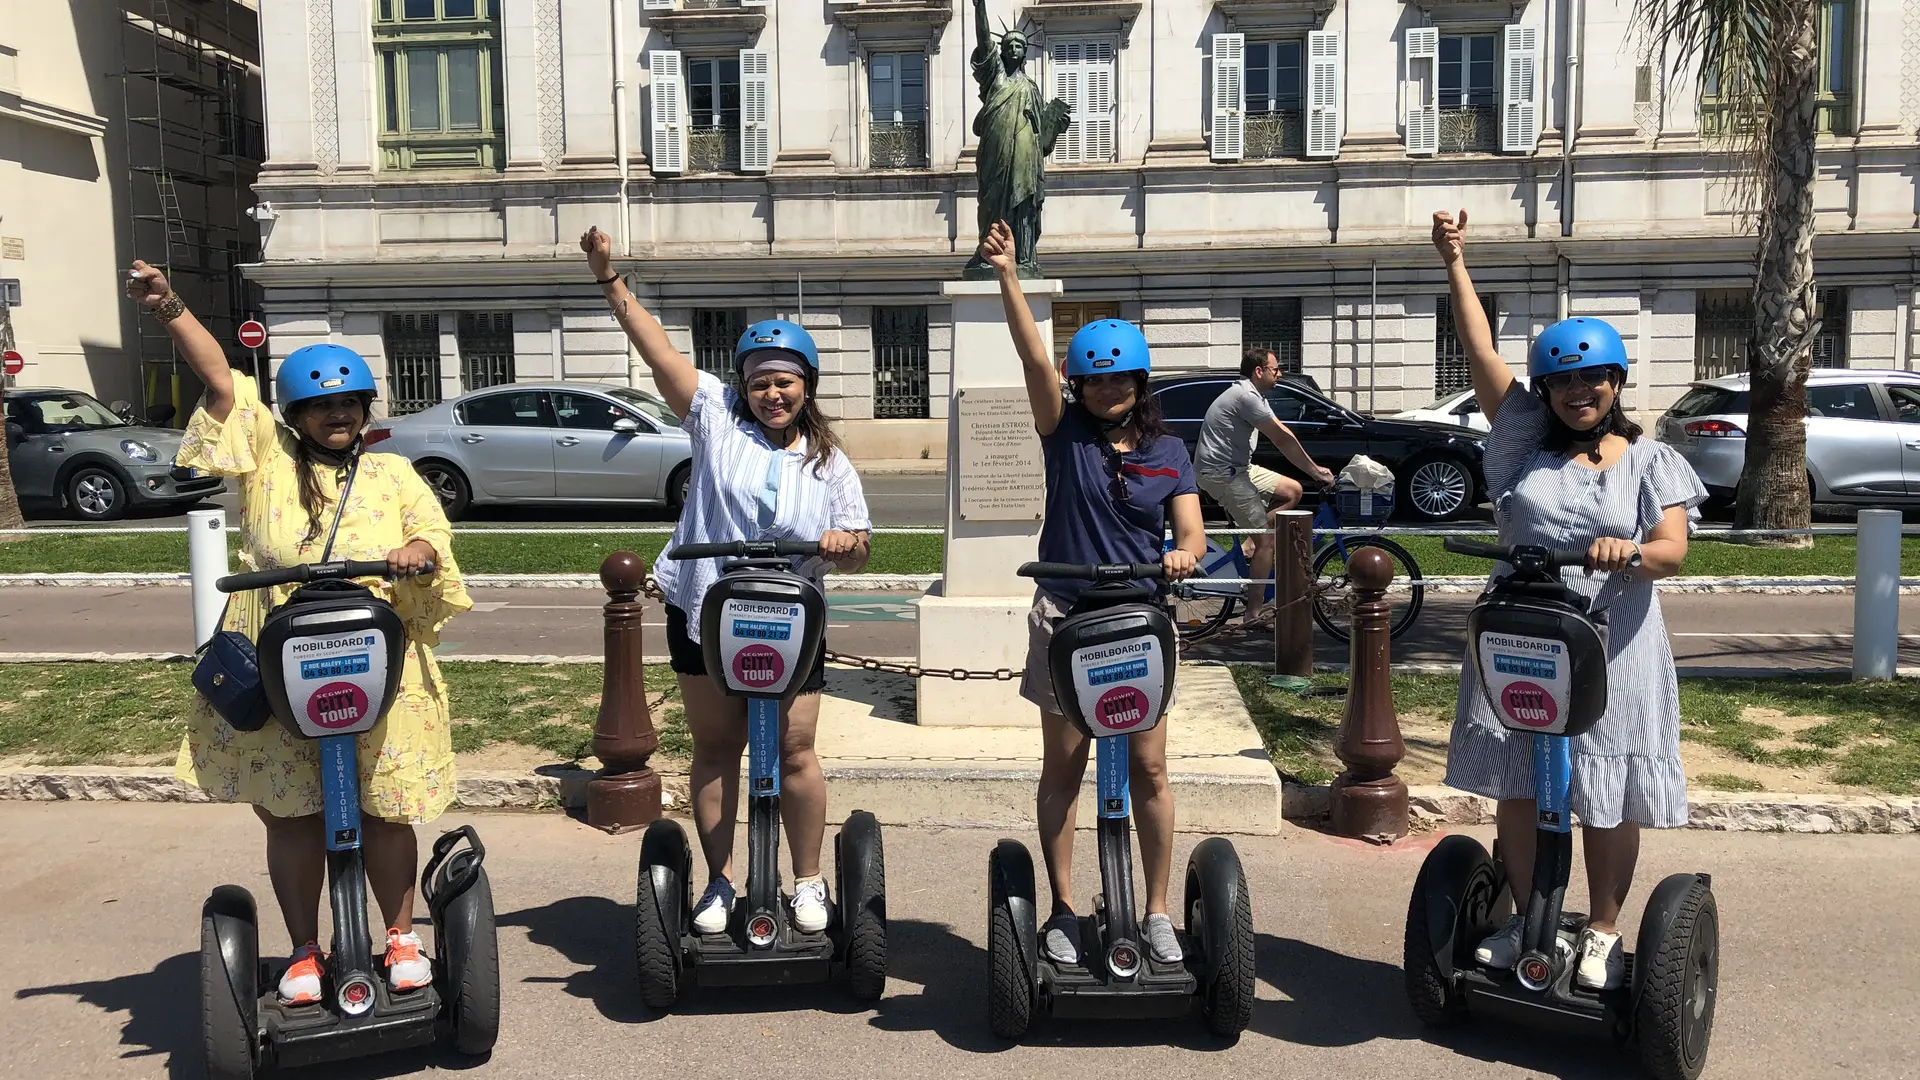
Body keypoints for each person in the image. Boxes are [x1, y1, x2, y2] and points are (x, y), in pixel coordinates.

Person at [127, 262, 472, 1005]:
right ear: (295, 414)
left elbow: (432, 535)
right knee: (292, 815)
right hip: (281, 657)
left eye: (347, 403)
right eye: (320, 406)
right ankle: (306, 950)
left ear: (365, 409)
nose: (335, 416)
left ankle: (401, 936)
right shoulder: (267, 460)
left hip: (376, 659)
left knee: (385, 810)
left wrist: (417, 552)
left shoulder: (392, 474)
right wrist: (169, 305)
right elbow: (221, 382)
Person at [1431, 209, 1705, 990]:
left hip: (1613, 645)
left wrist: (1632, 551)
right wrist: (1455, 260)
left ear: (1615, 383)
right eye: (1563, 381)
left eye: (1593, 378)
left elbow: (1672, 550)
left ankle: (1605, 930)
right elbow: (1481, 351)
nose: (1578, 391)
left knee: (1608, 789)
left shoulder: (1649, 459)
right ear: (1546, 390)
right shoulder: (1523, 439)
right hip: (1521, 633)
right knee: (1521, 781)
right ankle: (1527, 918)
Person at [581, 226, 872, 937]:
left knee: (795, 750)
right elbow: (658, 350)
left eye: (785, 381)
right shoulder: (714, 418)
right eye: (761, 381)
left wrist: (843, 546)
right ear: (743, 384)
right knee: (716, 748)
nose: (772, 393)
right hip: (707, 608)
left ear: (806, 387)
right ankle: (719, 880)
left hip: (793, 618)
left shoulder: (829, 462)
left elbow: (859, 548)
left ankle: (808, 880)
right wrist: (609, 279)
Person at [980, 220, 1207, 966]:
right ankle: (1064, 907)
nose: (1109, 390)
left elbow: (1192, 532)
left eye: (1122, 379)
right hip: (1067, 614)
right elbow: (1031, 356)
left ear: (1141, 384)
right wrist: (1009, 276)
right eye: (1096, 380)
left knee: (1150, 768)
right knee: (1065, 766)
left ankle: (1158, 909)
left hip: (1139, 617)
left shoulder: (1169, 451)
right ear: (1079, 385)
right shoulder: (1064, 434)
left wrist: (1183, 556)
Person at [1193, 347, 1336, 628]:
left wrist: (1313, 470)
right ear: (1259, 371)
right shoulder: (1245, 397)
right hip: (1222, 474)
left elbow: (1283, 431)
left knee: (1292, 491)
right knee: (1268, 541)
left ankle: (1251, 545)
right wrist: (1316, 471)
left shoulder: (1254, 395)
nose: (1280, 374)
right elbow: (1282, 439)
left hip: (1240, 469)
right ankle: (1253, 614)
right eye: (1275, 369)